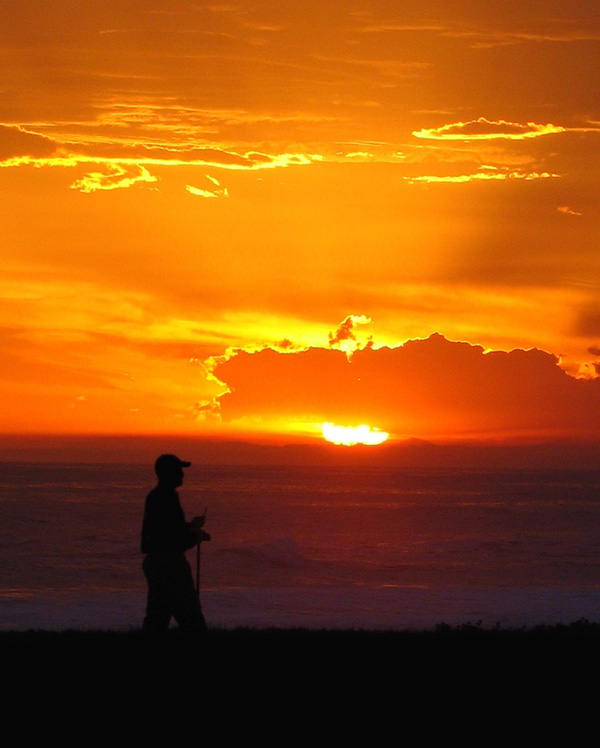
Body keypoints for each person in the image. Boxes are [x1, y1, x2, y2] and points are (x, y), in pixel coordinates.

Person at [141, 453, 210, 634]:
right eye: (178, 471)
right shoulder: (167, 498)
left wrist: (192, 526)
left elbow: (166, 529)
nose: (182, 474)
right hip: (170, 566)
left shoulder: (157, 496)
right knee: (192, 621)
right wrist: (196, 536)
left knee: (157, 619)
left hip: (157, 564)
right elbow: (174, 541)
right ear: (168, 473)